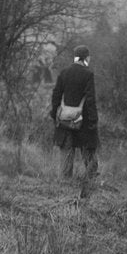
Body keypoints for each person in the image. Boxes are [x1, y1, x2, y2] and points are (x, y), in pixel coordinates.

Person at [50, 45, 99, 191]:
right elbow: (90, 99)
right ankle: (90, 183)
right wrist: (93, 120)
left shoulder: (64, 73)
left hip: (65, 120)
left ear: (75, 57)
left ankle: (65, 185)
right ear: (86, 58)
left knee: (66, 151)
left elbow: (56, 95)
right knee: (88, 151)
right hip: (83, 121)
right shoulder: (88, 74)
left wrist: (55, 114)